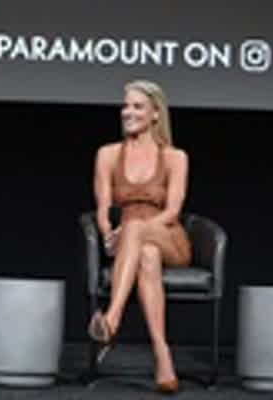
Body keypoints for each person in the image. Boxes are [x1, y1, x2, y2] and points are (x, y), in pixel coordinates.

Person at [87, 79, 191, 394]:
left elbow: (172, 211)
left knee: (137, 230)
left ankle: (112, 320)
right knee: (147, 254)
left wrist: (136, 230)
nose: (127, 112)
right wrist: (108, 234)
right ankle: (162, 355)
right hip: (132, 244)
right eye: (125, 106)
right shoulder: (107, 155)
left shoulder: (174, 157)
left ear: (155, 114)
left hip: (169, 237)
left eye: (137, 106)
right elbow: (103, 209)